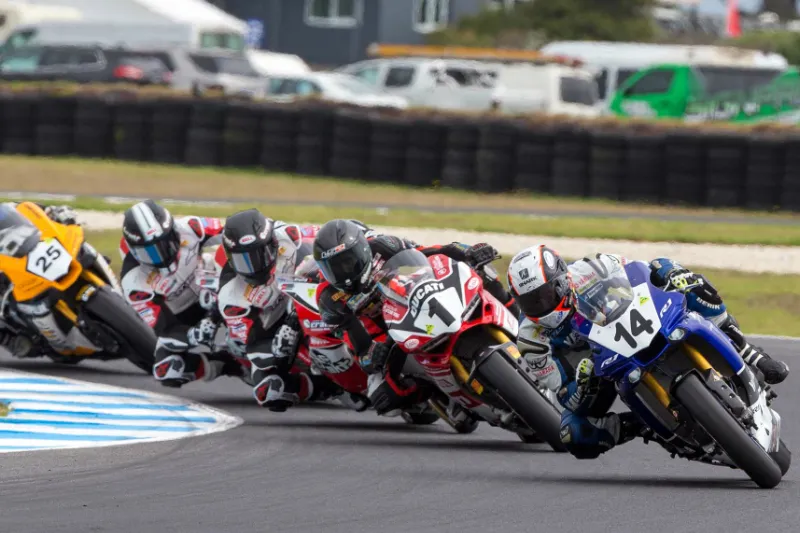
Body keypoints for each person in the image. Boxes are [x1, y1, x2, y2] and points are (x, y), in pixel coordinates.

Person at [506, 245, 790, 459]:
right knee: (573, 434)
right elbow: (563, 397)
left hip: (630, 325)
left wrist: (668, 276)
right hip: (597, 372)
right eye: (530, 302)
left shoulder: (591, 268)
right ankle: (644, 426)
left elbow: (638, 272)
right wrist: (581, 385)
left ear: (561, 279)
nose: (540, 306)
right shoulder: (531, 340)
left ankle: (748, 352)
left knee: (674, 272)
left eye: (544, 295)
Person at [313, 219, 520, 416]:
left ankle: (519, 323)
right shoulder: (328, 299)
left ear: (362, 249)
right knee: (385, 399)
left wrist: (467, 251)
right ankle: (436, 395)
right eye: (332, 267)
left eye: (347, 262)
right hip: (385, 339)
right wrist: (372, 354)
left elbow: (431, 252)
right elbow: (358, 346)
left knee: (484, 272)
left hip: (413, 304)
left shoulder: (384, 245)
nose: (343, 273)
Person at [216, 208, 340, 411]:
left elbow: (333, 237)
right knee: (267, 392)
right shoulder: (230, 295)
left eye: (260, 254)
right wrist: (282, 345)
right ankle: (323, 387)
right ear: (231, 259)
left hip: (317, 299)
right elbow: (253, 345)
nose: (254, 267)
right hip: (277, 332)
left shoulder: (291, 235)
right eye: (243, 261)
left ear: (272, 244)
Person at [119, 199, 246, 387]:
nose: (160, 256)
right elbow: (163, 328)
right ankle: (226, 364)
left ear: (173, 232)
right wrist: (194, 334)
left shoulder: (192, 227)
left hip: (214, 287)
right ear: (133, 251)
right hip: (183, 316)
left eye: (165, 244)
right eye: (149, 253)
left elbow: (235, 233)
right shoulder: (133, 281)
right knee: (166, 370)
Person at [0, 203, 79, 358]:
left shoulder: (4, 209)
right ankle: (11, 340)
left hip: (27, 253)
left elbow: (22, 211)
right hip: (10, 284)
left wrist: (51, 211)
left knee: (72, 237)